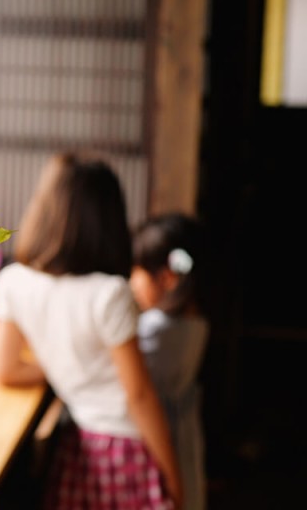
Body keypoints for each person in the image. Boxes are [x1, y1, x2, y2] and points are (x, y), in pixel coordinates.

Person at [0, 152, 182, 509]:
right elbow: (138, 396)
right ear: (108, 222)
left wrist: (64, 367)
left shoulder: (13, 282)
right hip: (126, 449)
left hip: (78, 448)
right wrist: (173, 478)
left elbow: (6, 370)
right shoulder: (109, 294)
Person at [131, 213, 209, 510]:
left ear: (167, 278)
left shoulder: (155, 331)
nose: (132, 282)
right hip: (184, 437)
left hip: (159, 441)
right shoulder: (196, 321)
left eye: (136, 271)